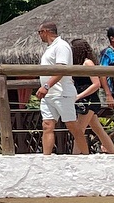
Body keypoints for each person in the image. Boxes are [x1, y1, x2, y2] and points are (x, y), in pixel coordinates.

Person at [31, 21, 89, 155]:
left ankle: (85, 155)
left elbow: (61, 69)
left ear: (45, 31)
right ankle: (47, 157)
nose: (39, 36)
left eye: (40, 33)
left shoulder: (61, 46)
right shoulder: (50, 48)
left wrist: (46, 85)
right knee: (47, 125)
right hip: (49, 95)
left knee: (72, 126)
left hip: (62, 93)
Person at [69, 39, 114, 155]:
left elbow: (96, 84)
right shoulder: (78, 64)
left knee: (79, 130)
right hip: (84, 99)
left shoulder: (87, 63)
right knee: (98, 129)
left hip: (89, 100)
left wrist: (79, 96)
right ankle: (113, 152)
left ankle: (75, 156)